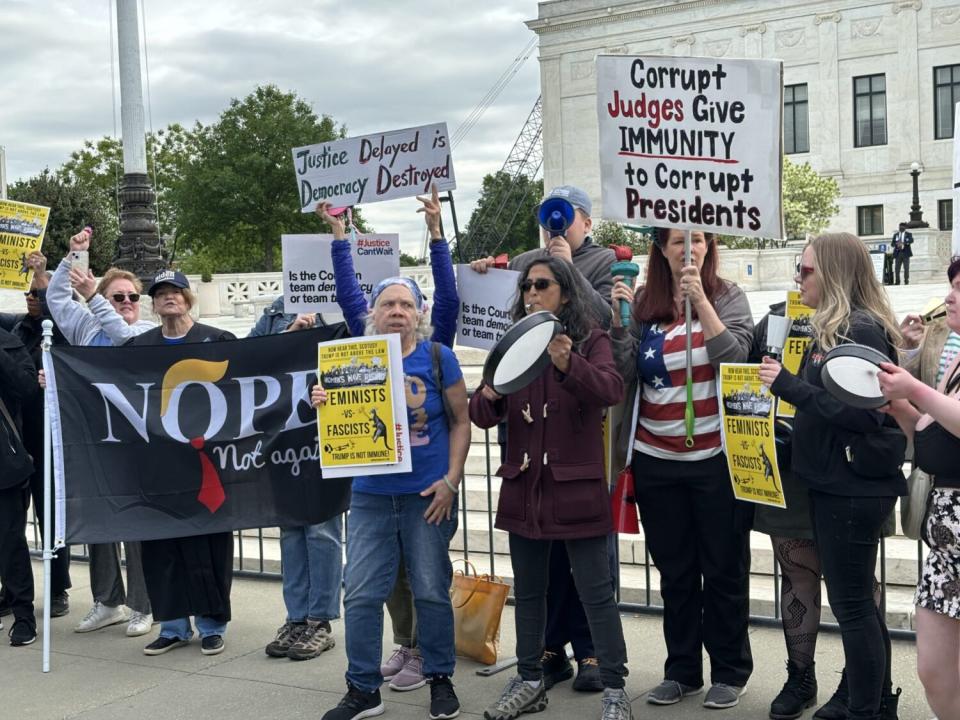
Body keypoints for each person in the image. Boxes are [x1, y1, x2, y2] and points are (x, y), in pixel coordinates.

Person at [315, 193, 471, 720]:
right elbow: (345, 290)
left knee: (430, 590)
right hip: (372, 497)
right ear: (374, 313)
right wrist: (323, 400)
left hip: (428, 495)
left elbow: (462, 420)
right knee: (359, 596)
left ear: (419, 313)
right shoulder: (356, 356)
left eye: (406, 304)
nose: (397, 312)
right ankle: (362, 690)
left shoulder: (436, 354)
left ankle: (441, 679)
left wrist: (450, 480)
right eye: (388, 304)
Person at [470, 257, 632, 720]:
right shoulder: (514, 347)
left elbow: (610, 389)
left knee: (596, 592)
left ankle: (616, 691)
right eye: (526, 286)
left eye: (542, 284)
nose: (531, 293)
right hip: (527, 487)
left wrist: (569, 362)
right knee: (532, 592)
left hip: (575, 488)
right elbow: (482, 414)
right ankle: (528, 680)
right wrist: (491, 396)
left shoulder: (590, 338)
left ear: (566, 290)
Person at [758, 233, 906, 720]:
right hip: (833, 483)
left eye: (806, 271)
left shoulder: (859, 330)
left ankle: (866, 708)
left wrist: (789, 386)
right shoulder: (836, 327)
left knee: (854, 609)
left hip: (851, 489)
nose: (798, 280)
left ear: (835, 273)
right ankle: (875, 702)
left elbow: (866, 415)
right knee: (858, 604)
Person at [611, 227, 754, 710]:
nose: (688, 248)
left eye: (698, 240)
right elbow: (622, 371)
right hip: (657, 461)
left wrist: (703, 304)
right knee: (675, 573)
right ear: (660, 249)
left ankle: (730, 671)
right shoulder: (646, 302)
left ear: (710, 247)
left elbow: (736, 357)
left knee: (723, 570)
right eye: (676, 241)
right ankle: (682, 670)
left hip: (716, 462)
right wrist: (618, 322)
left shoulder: (728, 296)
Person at [45, 230, 156, 637]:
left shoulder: (144, 332)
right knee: (99, 521)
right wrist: (76, 253)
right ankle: (109, 600)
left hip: (136, 442)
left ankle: (145, 605)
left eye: (131, 297)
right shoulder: (85, 327)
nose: (126, 303)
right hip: (95, 439)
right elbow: (58, 299)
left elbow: (126, 344)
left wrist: (95, 297)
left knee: (138, 524)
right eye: (117, 297)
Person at [127, 269, 236, 656]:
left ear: (189, 299)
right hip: (158, 466)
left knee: (209, 545)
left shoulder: (218, 341)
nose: (169, 298)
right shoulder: (138, 346)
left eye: (176, 292)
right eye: (161, 294)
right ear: (153, 304)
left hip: (206, 464)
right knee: (161, 546)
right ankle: (173, 626)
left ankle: (211, 625)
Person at [878, 256, 960, 720]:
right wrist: (902, 407)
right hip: (945, 541)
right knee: (933, 669)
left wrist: (915, 390)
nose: (949, 295)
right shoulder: (955, 355)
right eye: (951, 285)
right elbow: (933, 439)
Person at [251, 302, 350, 661]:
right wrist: (286, 337)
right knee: (291, 531)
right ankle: (295, 619)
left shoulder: (348, 313)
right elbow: (247, 358)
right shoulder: (277, 311)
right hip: (285, 440)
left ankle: (319, 621)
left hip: (327, 438)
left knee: (322, 530)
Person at [0, 258, 72, 619]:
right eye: (27, 292)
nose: (32, 297)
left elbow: (54, 309)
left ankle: (57, 588)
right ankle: (10, 590)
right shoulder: (15, 330)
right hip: (15, 440)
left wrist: (42, 272)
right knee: (10, 525)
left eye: (38, 293)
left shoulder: (56, 331)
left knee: (49, 517)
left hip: (47, 440)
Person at [0, 320, 40, 646]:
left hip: (5, 462)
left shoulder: (10, 343)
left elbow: (26, 390)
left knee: (10, 541)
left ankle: (23, 616)